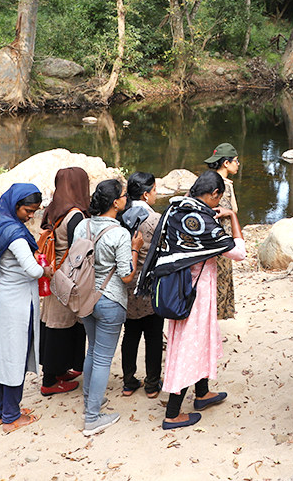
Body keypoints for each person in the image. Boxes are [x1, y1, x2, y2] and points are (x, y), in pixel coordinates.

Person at [146, 170, 248, 430]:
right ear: (214, 194)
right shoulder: (201, 219)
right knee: (187, 346)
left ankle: (202, 394)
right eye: (219, 199)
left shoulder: (178, 208)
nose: (218, 205)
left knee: (199, 340)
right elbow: (238, 252)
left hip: (181, 287)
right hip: (193, 294)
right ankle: (172, 413)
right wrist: (233, 216)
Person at [0, 183, 48, 432]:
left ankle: (0, 411)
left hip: (3, 298)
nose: (31, 216)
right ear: (16, 205)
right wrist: (45, 268)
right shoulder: (15, 234)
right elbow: (33, 270)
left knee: (2, 357)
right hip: (18, 302)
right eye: (28, 210)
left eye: (35, 211)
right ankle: (11, 417)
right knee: (15, 358)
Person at [75, 179, 140, 436]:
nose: (127, 198)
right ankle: (92, 418)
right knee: (102, 359)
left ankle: (91, 401)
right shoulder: (120, 234)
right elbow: (127, 276)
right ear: (116, 202)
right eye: (124, 195)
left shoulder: (82, 225)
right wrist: (135, 249)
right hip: (110, 300)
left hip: (85, 297)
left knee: (92, 351)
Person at [38, 167, 91, 396]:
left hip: (53, 276)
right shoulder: (75, 215)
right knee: (61, 328)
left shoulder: (53, 209)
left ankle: (59, 371)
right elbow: (80, 251)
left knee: (53, 324)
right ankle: (49, 382)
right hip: (67, 280)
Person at [120, 172, 164, 398]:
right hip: (150, 282)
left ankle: (128, 381)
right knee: (154, 334)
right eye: (155, 190)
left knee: (131, 332)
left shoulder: (120, 215)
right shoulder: (155, 219)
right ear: (146, 194)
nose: (157, 194)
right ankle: (152, 383)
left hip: (126, 281)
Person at [205, 142, 240, 320]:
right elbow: (229, 211)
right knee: (219, 281)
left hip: (221, 242)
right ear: (226, 163)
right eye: (235, 160)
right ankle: (212, 327)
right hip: (218, 243)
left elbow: (233, 209)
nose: (238, 164)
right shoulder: (217, 186)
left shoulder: (223, 183)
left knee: (222, 280)